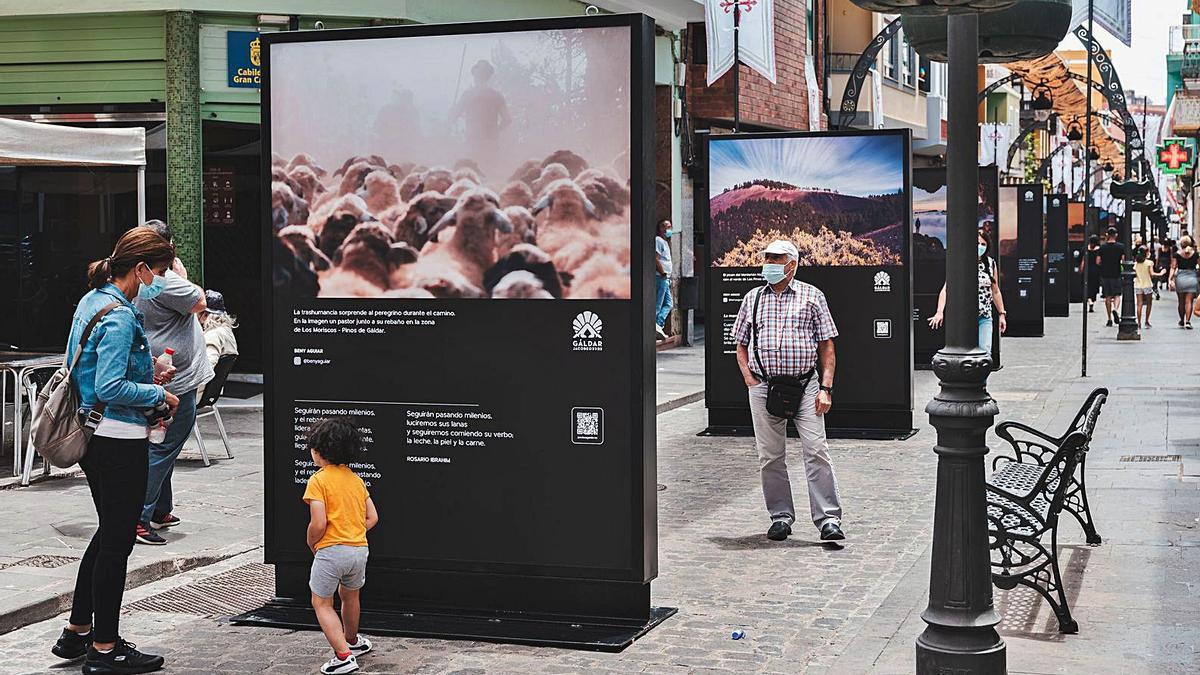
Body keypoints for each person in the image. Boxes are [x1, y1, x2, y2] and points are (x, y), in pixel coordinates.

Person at [51, 227, 179, 674]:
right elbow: (108, 385)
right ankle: (105, 649)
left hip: (94, 435)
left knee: (109, 531)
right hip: (117, 439)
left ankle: (78, 632)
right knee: (118, 541)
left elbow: (89, 372)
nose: (159, 281)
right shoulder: (122, 315)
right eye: (159, 272)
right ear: (141, 268)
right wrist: (156, 396)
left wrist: (147, 379)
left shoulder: (93, 300)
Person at [732, 240, 844, 543]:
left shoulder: (812, 296)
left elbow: (827, 346)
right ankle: (780, 517)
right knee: (770, 456)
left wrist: (826, 388)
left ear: (791, 264)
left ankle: (828, 520)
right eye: (766, 257)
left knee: (816, 450)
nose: (768, 262)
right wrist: (748, 378)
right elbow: (740, 343)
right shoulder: (753, 298)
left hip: (806, 385)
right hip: (764, 385)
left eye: (775, 258)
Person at [132, 220, 214, 546]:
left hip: (159, 371)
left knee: (161, 441)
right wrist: (181, 275)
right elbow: (200, 301)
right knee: (165, 445)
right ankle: (138, 517)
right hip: (175, 380)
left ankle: (160, 508)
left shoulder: (138, 281)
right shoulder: (164, 283)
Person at [303, 418, 379, 675]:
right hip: (359, 549)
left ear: (318, 451)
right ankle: (353, 641)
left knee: (321, 603)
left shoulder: (318, 480)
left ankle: (343, 656)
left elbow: (318, 521)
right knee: (351, 596)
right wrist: (352, 530)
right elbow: (372, 517)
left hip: (331, 551)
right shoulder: (356, 480)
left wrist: (312, 540)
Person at [928, 229, 1007, 355]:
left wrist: (1001, 314)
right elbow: (947, 288)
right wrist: (939, 312)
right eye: (977, 243)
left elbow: (995, 291)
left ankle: (982, 376)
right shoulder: (960, 262)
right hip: (963, 317)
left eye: (983, 244)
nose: (980, 247)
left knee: (985, 352)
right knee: (964, 354)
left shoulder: (991, 263)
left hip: (984, 316)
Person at [197, 290, 239, 401]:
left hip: (198, 394)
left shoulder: (213, 335)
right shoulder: (226, 331)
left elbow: (209, 364)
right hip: (210, 392)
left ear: (205, 315)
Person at [1097, 227, 1126, 327]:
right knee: (1117, 295)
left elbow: (1098, 261)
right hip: (1116, 273)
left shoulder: (1102, 247)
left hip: (1105, 274)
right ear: (1116, 235)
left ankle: (1109, 318)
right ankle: (1115, 309)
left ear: (1107, 235)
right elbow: (1123, 260)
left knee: (1107, 296)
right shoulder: (1121, 247)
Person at [1170, 235, 1199, 329]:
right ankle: (1188, 321)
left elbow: (1173, 267)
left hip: (1181, 278)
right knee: (1189, 301)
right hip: (1192, 278)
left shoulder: (1177, 254)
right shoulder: (1195, 254)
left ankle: (1182, 320)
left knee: (1181, 302)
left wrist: (1170, 279)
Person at [1133, 246, 1165, 328]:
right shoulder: (1149, 263)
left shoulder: (1136, 263)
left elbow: (1135, 274)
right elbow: (1152, 274)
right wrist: (1161, 273)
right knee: (1149, 303)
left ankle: (1139, 322)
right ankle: (1146, 321)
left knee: (1139, 304)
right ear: (1146, 253)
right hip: (1147, 284)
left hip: (1138, 285)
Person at [654, 220, 674, 340]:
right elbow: (656, 258)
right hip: (661, 277)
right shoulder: (658, 240)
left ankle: (658, 324)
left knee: (668, 304)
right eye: (668, 227)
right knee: (659, 303)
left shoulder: (665, 242)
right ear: (661, 228)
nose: (670, 229)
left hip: (665, 278)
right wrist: (662, 272)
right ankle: (655, 325)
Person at [1081, 234, 1101, 313]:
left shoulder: (1085, 249)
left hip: (1087, 270)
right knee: (1094, 286)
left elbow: (1083, 260)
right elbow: (1099, 261)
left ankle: (1089, 301)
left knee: (1086, 286)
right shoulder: (1099, 250)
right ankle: (1092, 300)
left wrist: (1081, 269)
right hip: (1096, 270)